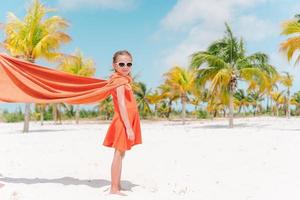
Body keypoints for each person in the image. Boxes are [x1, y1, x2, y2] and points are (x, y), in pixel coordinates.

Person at [103, 50, 142, 195]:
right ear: (114, 65)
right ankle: (114, 188)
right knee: (119, 154)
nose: (125, 66)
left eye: (129, 64)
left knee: (121, 153)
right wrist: (128, 128)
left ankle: (117, 185)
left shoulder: (125, 80)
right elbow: (121, 104)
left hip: (127, 120)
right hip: (122, 121)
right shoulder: (119, 80)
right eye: (121, 64)